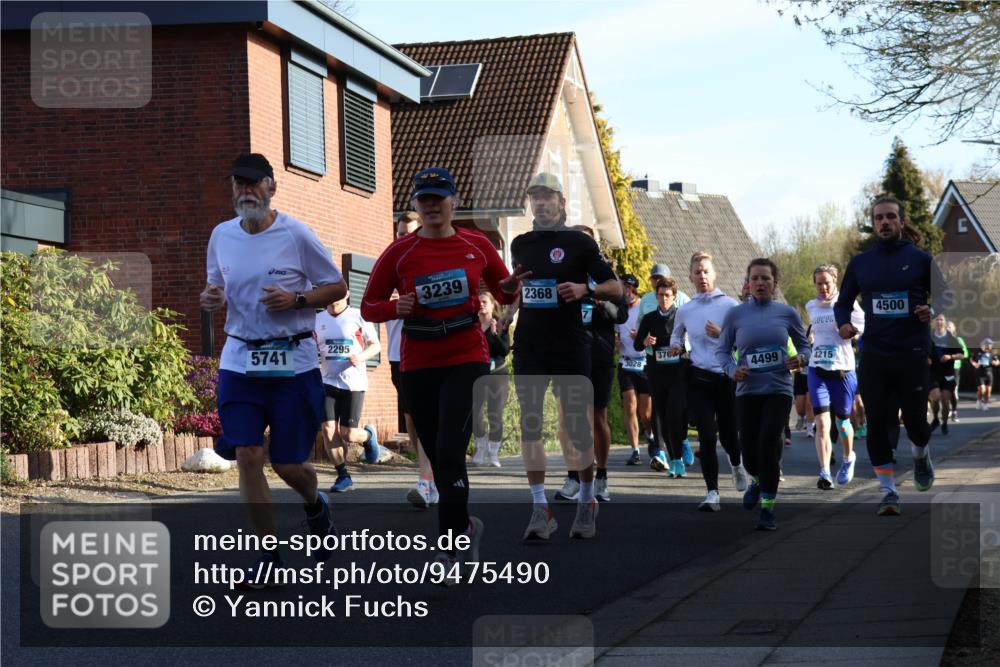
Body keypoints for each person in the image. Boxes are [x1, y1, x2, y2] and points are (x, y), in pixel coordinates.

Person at [361, 167, 523, 576]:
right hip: (419, 360)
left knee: (450, 449)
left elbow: (502, 289)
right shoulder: (399, 252)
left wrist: (512, 288)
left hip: (466, 355)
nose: (432, 205)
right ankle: (466, 526)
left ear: (454, 202)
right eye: (424, 199)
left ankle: (449, 551)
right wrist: (393, 307)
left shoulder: (476, 244)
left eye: (439, 198)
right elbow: (368, 305)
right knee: (437, 454)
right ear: (415, 204)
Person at [201, 153, 346, 575]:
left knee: (287, 464)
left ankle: (315, 505)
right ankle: (269, 556)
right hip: (240, 359)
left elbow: (336, 287)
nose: (246, 191)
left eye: (254, 183)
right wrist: (212, 298)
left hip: (293, 363)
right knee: (247, 453)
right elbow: (216, 287)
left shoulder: (296, 234)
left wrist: (297, 299)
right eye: (239, 184)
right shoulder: (221, 235)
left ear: (271, 187)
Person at [512, 172, 620, 541]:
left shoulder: (579, 243)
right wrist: (508, 299)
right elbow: (519, 288)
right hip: (530, 344)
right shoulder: (520, 244)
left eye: (548, 197)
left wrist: (586, 288)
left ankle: (587, 499)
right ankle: (539, 507)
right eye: (535, 197)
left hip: (570, 345)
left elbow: (615, 287)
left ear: (561, 202)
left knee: (577, 428)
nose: (541, 203)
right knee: (530, 425)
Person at [835, 195, 946, 516]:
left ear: (901, 221)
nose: (884, 222)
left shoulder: (920, 259)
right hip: (875, 354)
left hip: (912, 352)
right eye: (879, 218)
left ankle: (921, 455)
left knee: (916, 422)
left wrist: (932, 308)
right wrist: (844, 324)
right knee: (879, 422)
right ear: (873, 224)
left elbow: (947, 295)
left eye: (890, 217)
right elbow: (843, 303)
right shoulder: (861, 263)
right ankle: (888, 491)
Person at [717, 258, 811, 530]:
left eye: (765, 278)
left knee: (768, 443)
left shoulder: (787, 313)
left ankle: (768, 508)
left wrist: (800, 360)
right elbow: (722, 351)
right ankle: (756, 480)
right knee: (748, 448)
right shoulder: (735, 315)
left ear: (774, 283)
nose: (760, 283)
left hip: (779, 389)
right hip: (747, 390)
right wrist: (732, 370)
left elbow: (805, 347)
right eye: (755, 278)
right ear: (747, 283)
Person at [669, 251, 747, 512]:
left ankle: (736, 464)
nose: (702, 276)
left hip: (725, 378)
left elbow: (743, 341)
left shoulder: (730, 305)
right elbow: (676, 335)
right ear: (690, 277)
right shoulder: (685, 310)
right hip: (698, 379)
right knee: (706, 436)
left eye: (706, 271)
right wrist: (677, 346)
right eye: (697, 272)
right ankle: (712, 492)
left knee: (729, 435)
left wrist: (721, 334)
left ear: (714, 274)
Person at [564, 225, 628, 502]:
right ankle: (573, 477)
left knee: (597, 416)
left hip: (599, 353)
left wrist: (600, 300)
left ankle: (601, 475)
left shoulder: (607, 278)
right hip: (570, 353)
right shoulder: (564, 274)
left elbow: (622, 314)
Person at [387, 213, 440, 508]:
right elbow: (372, 304)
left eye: (409, 233)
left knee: (428, 417)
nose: (404, 238)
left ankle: (428, 480)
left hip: (428, 351)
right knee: (411, 420)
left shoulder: (431, 262)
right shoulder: (391, 264)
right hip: (398, 355)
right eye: (400, 233)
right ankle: (428, 479)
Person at [315, 291, 382, 492]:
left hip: (353, 383)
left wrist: (360, 357)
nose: (334, 297)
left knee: (349, 435)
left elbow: (375, 346)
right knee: (328, 429)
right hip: (327, 381)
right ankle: (343, 476)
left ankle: (368, 437)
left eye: (339, 292)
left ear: (347, 294)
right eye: (330, 292)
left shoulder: (359, 315)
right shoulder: (317, 319)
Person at [805, 264, 864, 489]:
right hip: (817, 368)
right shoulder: (811, 306)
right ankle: (824, 472)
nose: (823, 287)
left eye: (827, 283)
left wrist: (850, 330)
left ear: (835, 282)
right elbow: (813, 332)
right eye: (819, 283)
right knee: (821, 422)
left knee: (842, 423)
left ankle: (849, 458)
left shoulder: (847, 304)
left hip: (842, 370)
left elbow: (862, 325)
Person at [635, 277, 689, 477]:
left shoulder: (682, 316)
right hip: (657, 373)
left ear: (674, 297)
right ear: (656, 296)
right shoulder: (649, 318)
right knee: (663, 417)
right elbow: (637, 345)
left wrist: (682, 347)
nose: (664, 299)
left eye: (667, 295)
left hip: (678, 373)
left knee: (675, 414)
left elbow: (692, 341)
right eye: (660, 295)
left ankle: (679, 453)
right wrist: (645, 341)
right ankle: (675, 460)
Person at [616, 275, 655, 467]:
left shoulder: (644, 308)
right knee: (629, 406)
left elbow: (655, 332)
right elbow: (615, 332)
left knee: (645, 412)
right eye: (624, 288)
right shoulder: (618, 310)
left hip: (644, 363)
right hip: (626, 363)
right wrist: (615, 341)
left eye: (630, 288)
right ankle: (635, 451)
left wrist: (641, 338)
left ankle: (651, 435)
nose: (627, 292)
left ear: (635, 290)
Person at [470, 292, 510, 467]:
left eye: (485, 302)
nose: (481, 305)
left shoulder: (500, 324)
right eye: (478, 302)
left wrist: (494, 334)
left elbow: (504, 350)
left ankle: (493, 453)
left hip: (497, 375)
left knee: (495, 414)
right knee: (475, 413)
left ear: (493, 305)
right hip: (476, 375)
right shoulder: (471, 325)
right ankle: (480, 448)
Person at [928, 313, 965, 436]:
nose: (939, 322)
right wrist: (926, 358)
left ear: (945, 322)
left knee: (945, 400)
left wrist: (950, 356)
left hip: (948, 373)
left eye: (941, 320)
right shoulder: (929, 336)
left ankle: (944, 423)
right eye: (937, 320)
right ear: (934, 323)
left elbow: (962, 355)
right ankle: (935, 419)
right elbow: (921, 350)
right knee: (935, 397)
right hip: (933, 373)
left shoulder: (951, 339)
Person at [946, 320, 968, 421]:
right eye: (947, 326)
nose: (948, 328)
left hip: (955, 368)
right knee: (945, 391)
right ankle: (948, 410)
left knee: (954, 390)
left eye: (950, 327)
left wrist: (953, 356)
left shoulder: (958, 340)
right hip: (943, 368)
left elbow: (965, 354)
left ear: (954, 329)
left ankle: (954, 411)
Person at [971, 338, 999, 410]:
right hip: (979, 373)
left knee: (988, 391)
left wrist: (995, 363)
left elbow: (997, 361)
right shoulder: (977, 351)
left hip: (989, 373)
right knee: (982, 390)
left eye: (990, 345)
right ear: (983, 345)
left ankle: (985, 404)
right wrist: (975, 364)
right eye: (988, 345)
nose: (989, 346)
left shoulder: (992, 353)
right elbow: (971, 359)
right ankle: (979, 401)